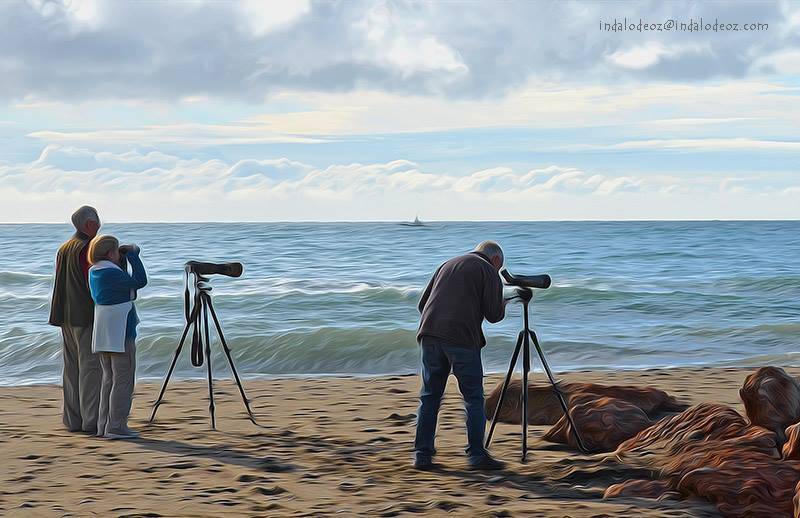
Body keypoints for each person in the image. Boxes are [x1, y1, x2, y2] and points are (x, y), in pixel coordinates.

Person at [414, 240, 508, 471]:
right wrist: (506, 299)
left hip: (429, 334)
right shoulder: (488, 270)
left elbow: (422, 305)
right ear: (496, 260)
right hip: (462, 340)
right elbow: (494, 315)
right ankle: (476, 455)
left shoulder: (447, 264)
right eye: (499, 266)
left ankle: (422, 455)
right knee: (473, 398)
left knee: (430, 397)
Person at [48, 206, 103, 433]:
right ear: (89, 224)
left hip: (65, 315)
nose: (100, 224)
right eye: (98, 220)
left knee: (71, 369)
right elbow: (93, 281)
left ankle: (72, 420)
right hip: (84, 314)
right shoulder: (88, 247)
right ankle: (91, 420)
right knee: (91, 368)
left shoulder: (64, 247)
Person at [87, 235, 147, 439]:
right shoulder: (111, 273)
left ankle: (104, 425)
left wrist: (122, 259)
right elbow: (140, 281)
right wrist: (132, 255)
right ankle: (117, 426)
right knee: (123, 379)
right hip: (120, 329)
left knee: (109, 379)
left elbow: (124, 285)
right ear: (110, 253)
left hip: (103, 329)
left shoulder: (95, 271)